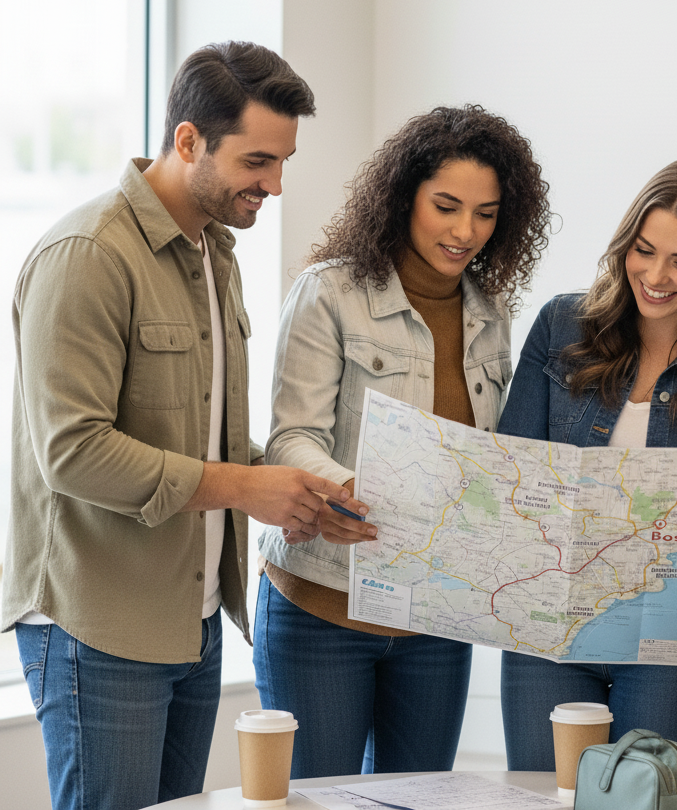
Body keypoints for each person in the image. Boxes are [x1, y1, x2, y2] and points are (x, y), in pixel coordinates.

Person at [3, 42, 355, 810]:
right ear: (188, 140)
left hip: (191, 628)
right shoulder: (86, 255)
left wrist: (301, 489)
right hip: (99, 625)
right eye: (258, 161)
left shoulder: (214, 256)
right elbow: (72, 451)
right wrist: (245, 487)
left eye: (283, 161)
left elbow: (206, 442)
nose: (276, 184)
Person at [254, 104, 552, 777]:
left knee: (416, 799)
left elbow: (490, 455)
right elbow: (291, 437)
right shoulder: (328, 293)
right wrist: (346, 487)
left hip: (435, 617)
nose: (465, 230)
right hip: (320, 606)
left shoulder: (491, 312)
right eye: (446, 205)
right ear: (403, 196)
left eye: (485, 213)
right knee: (316, 799)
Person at [497, 157, 677, 770]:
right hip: (551, 626)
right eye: (644, 251)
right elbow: (514, 474)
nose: (656, 276)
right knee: (551, 794)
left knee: (654, 797)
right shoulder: (562, 325)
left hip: (669, 636)